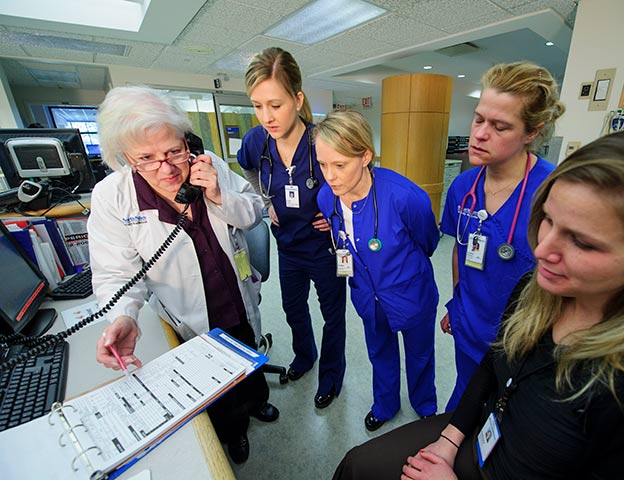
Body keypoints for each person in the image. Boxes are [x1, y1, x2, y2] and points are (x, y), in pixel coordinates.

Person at [332, 125, 624, 479]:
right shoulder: (535, 291)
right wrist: (449, 441)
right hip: (483, 433)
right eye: (548, 221)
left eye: (582, 242)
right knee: (357, 467)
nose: (543, 250)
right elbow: (493, 365)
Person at [88, 86, 278, 465]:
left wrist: (221, 196)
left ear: (186, 141)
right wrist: (124, 314)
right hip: (190, 313)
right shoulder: (113, 197)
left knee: (249, 349)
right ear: (126, 157)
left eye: (174, 151)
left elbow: (253, 213)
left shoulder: (209, 166)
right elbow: (115, 273)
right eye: (147, 158)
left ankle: (258, 400)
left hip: (236, 292)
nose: (168, 168)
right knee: (215, 383)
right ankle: (234, 431)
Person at [440, 62, 565, 410]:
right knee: (465, 402)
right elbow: (460, 249)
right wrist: (457, 303)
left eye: (500, 126)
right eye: (479, 119)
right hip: (468, 327)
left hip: (523, 341)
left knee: (505, 414)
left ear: (531, 132)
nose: (480, 134)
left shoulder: (554, 191)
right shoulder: (464, 186)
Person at [315, 111, 439, 431]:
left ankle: (425, 405)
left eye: (340, 165)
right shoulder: (326, 196)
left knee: (420, 354)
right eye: (323, 164)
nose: (330, 175)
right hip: (367, 295)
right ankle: (385, 404)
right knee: (380, 352)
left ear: (365, 155)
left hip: (411, 293)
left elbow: (428, 242)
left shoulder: (406, 197)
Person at [238, 47, 347, 409]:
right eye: (257, 105)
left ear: (297, 100)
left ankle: (331, 375)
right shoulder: (257, 141)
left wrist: (336, 215)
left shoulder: (323, 140)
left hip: (324, 247)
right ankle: (306, 356)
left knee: (333, 315)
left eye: (276, 104)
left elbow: (353, 182)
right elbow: (249, 171)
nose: (266, 116)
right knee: (293, 308)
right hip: (287, 245)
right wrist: (267, 201)